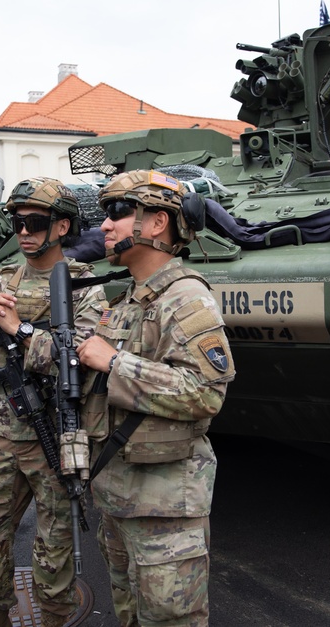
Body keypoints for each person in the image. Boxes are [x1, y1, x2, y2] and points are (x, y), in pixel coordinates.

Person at [76, 169, 236, 627]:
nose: (105, 226)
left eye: (118, 214)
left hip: (165, 507)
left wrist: (114, 363)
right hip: (119, 496)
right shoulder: (130, 300)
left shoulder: (185, 298)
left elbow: (205, 392)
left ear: (158, 222)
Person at [0, 178, 106, 627]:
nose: (23, 232)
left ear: (62, 226)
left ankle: (56, 616)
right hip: (2, 432)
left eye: (35, 223)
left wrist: (20, 327)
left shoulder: (84, 287)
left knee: (54, 542)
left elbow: (81, 360)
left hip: (54, 437)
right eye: (17, 222)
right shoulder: (2, 279)